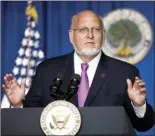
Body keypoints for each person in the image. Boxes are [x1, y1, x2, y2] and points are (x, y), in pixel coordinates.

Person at [2, 10, 154, 131]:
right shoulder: (46, 70)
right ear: (71, 35)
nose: (90, 35)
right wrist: (18, 105)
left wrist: (139, 105)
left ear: (103, 35)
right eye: (83, 30)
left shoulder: (125, 72)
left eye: (96, 29)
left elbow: (143, 126)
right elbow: (31, 120)